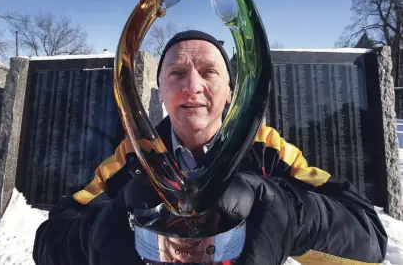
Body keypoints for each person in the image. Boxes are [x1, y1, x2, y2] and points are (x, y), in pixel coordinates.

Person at [33, 30, 387, 265]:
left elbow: (369, 234)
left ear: (231, 91)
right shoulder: (133, 159)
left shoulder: (268, 151)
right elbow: (47, 241)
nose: (193, 86)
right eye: (176, 73)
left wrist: (288, 210)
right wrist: (98, 230)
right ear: (160, 90)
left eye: (209, 72)